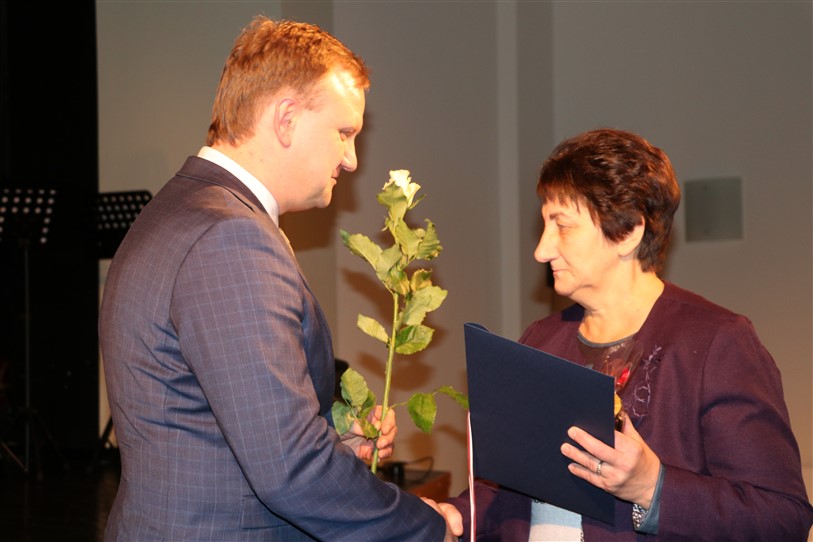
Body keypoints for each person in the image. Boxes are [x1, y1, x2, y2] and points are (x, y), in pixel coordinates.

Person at [99, 16, 461, 541]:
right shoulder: (230, 238)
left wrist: (332, 441)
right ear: (286, 118)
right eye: (344, 133)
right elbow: (288, 469)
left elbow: (210, 424)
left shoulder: (176, 208)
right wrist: (425, 529)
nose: (351, 160)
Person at [444, 128, 813, 540]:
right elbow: (507, 494)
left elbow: (782, 518)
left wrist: (653, 488)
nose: (541, 250)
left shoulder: (717, 343)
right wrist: (454, 517)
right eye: (545, 225)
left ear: (629, 232)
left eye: (562, 226)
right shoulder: (541, 339)